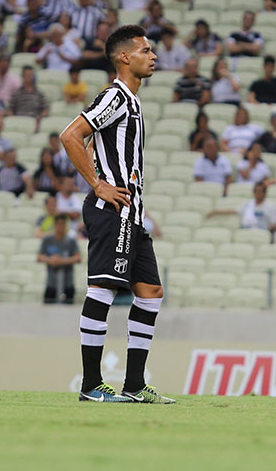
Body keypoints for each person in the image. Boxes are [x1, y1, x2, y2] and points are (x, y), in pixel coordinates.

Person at [59, 24, 174, 403]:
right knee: (103, 288)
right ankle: (91, 386)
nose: (152, 56)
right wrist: (98, 184)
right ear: (125, 57)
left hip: (132, 214)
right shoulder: (116, 97)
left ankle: (135, 385)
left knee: (151, 292)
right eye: (145, 50)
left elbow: (92, 144)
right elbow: (71, 135)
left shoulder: (132, 101)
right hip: (112, 209)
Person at [38, 214, 82, 304]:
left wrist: (62, 261)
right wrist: (50, 260)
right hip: (51, 282)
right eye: (58, 224)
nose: (60, 226)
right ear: (54, 225)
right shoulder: (48, 239)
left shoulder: (71, 241)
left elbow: (78, 257)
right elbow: (40, 256)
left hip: (68, 283)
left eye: (63, 224)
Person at [205, 181, 276, 232]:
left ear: (264, 193)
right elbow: (233, 211)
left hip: (262, 232)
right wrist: (216, 212)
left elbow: (273, 224)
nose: (258, 193)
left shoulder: (270, 206)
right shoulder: (248, 204)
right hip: (247, 231)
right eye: (256, 191)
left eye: (260, 191)